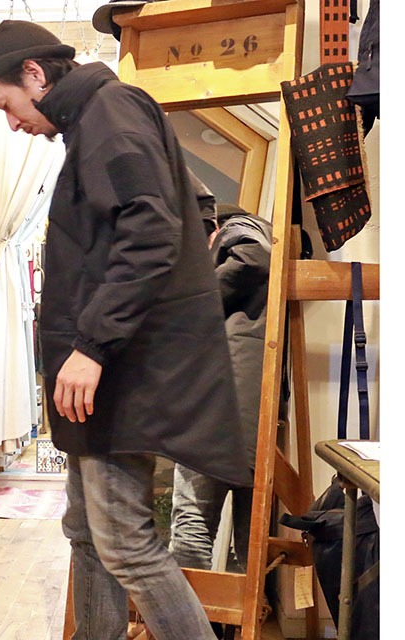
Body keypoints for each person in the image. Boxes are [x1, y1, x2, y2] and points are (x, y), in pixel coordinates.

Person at [0, 20, 252, 640]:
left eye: (6, 104)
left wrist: (93, 347)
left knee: (126, 544)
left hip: (119, 371)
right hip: (101, 375)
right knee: (86, 532)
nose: (11, 123)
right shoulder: (93, 120)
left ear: (34, 75)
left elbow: (150, 235)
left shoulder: (110, 112)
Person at [169, 202, 272, 633]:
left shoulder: (240, 230)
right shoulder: (254, 250)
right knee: (248, 540)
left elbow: (253, 258)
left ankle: (190, 630)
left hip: (216, 407)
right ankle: (228, 630)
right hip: (248, 411)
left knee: (192, 522)